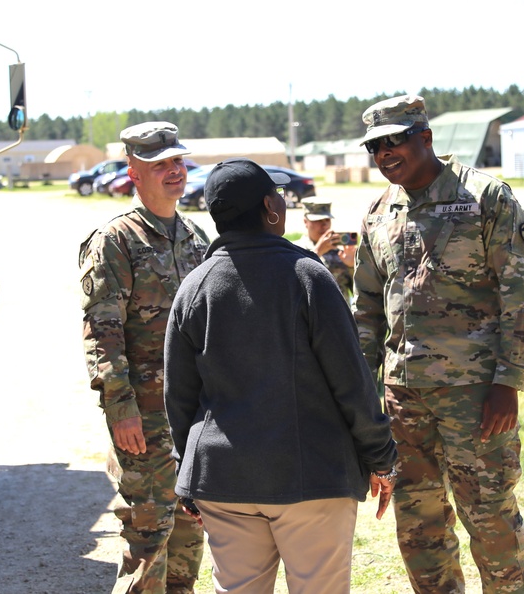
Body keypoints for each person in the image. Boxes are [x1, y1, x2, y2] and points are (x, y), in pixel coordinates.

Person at [163, 158, 398, 594]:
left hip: (224, 482)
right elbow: (352, 383)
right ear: (270, 208)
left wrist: (190, 473)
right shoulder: (308, 276)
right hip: (311, 479)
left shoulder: (193, 287)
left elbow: (178, 398)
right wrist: (381, 457)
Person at [352, 95, 524, 594]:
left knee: (491, 521)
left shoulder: (484, 198)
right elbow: (368, 312)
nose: (385, 153)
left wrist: (508, 382)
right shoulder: (378, 214)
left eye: (395, 140)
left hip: (476, 398)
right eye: (376, 146)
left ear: (425, 137)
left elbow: (523, 297)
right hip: (403, 402)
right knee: (419, 529)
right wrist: (360, 396)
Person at [79, 121, 208, 594]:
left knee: (190, 536)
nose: (175, 171)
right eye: (160, 165)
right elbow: (102, 333)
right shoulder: (116, 240)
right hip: (146, 421)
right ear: (133, 171)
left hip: (193, 416)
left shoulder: (195, 237)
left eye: (178, 161)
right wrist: (121, 409)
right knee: (148, 541)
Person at [295, 196, 355, 302]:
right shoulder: (296, 250)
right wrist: (317, 252)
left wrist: (352, 267)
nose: (324, 224)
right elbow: (292, 285)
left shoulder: (341, 253)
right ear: (305, 222)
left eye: (327, 219)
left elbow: (360, 292)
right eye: (318, 220)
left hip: (337, 316)